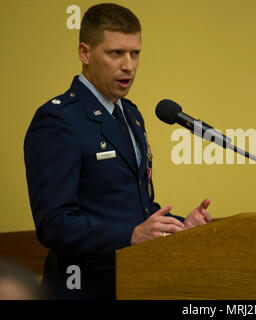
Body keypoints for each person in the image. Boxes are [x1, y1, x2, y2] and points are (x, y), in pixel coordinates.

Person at [24, 3, 212, 300]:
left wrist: (177, 227)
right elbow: (53, 224)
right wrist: (129, 236)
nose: (129, 65)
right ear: (85, 53)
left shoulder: (131, 114)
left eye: (135, 53)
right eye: (116, 53)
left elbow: (135, 208)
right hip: (82, 288)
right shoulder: (59, 119)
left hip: (134, 282)